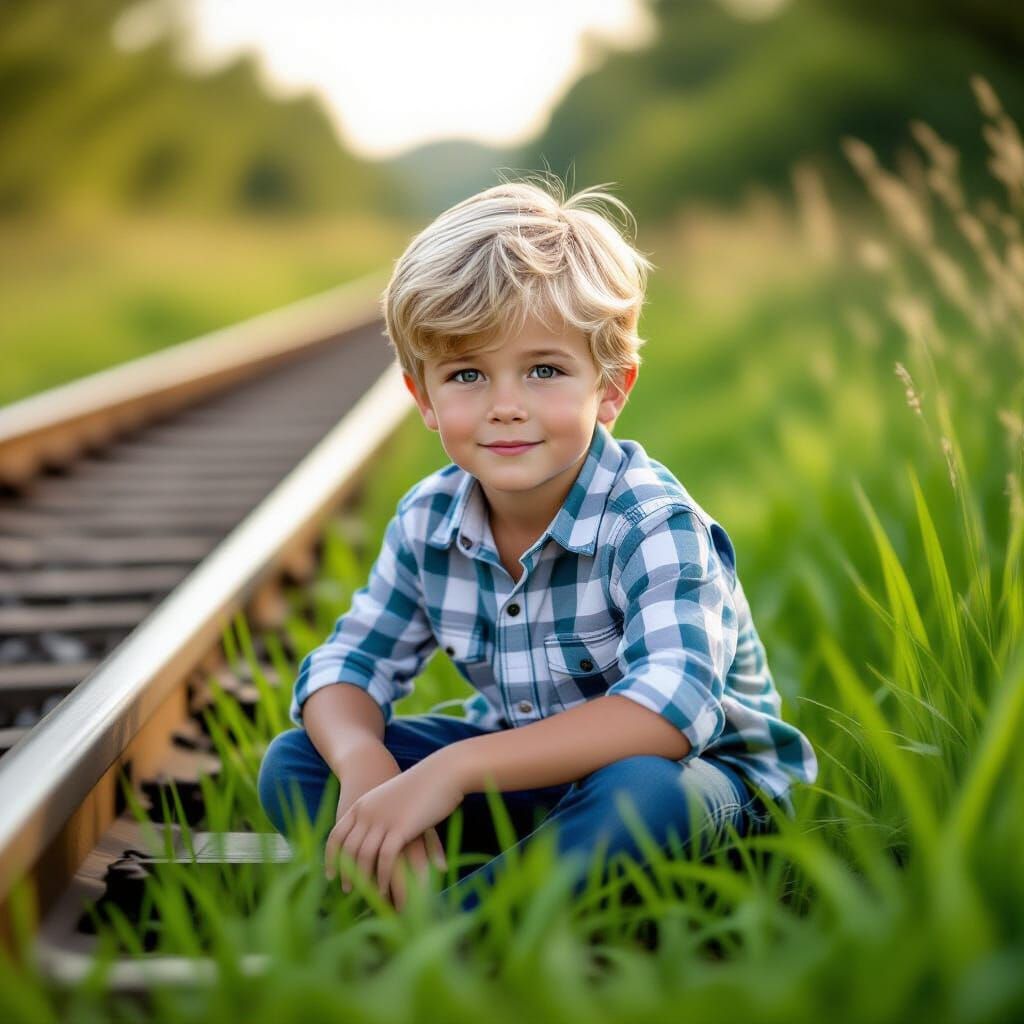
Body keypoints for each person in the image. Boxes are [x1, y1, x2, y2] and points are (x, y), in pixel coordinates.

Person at [257, 175, 818, 913]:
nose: (506, 406)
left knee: (639, 791)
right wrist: (367, 766)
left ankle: (462, 927)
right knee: (298, 760)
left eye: (544, 370)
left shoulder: (650, 522)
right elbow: (347, 665)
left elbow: (670, 710)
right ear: (423, 398)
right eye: (466, 374)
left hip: (699, 785)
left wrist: (452, 769)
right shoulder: (429, 520)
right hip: (527, 780)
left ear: (611, 388)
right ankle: (506, 883)